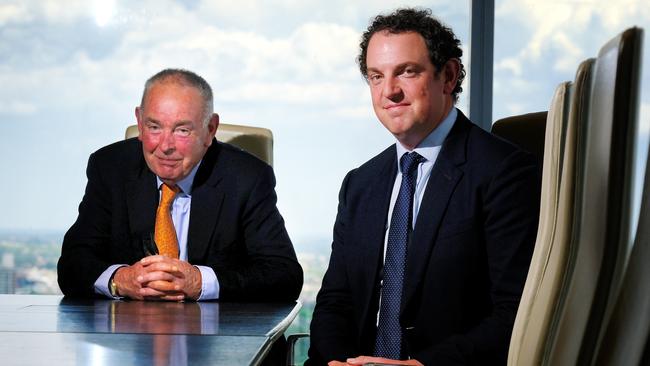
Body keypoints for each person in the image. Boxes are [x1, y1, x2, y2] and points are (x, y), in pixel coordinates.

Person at [307, 8, 539, 366]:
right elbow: (335, 303)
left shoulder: (504, 173)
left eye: (407, 72)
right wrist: (340, 362)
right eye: (376, 76)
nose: (390, 91)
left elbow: (516, 312)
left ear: (448, 76)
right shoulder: (360, 184)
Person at [57, 68, 303, 303]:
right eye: (154, 127)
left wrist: (199, 282)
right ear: (139, 123)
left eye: (182, 130)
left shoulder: (246, 178)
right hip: (130, 338)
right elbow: (72, 264)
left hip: (217, 338)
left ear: (210, 130)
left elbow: (284, 275)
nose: (165, 146)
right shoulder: (110, 168)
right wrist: (120, 280)